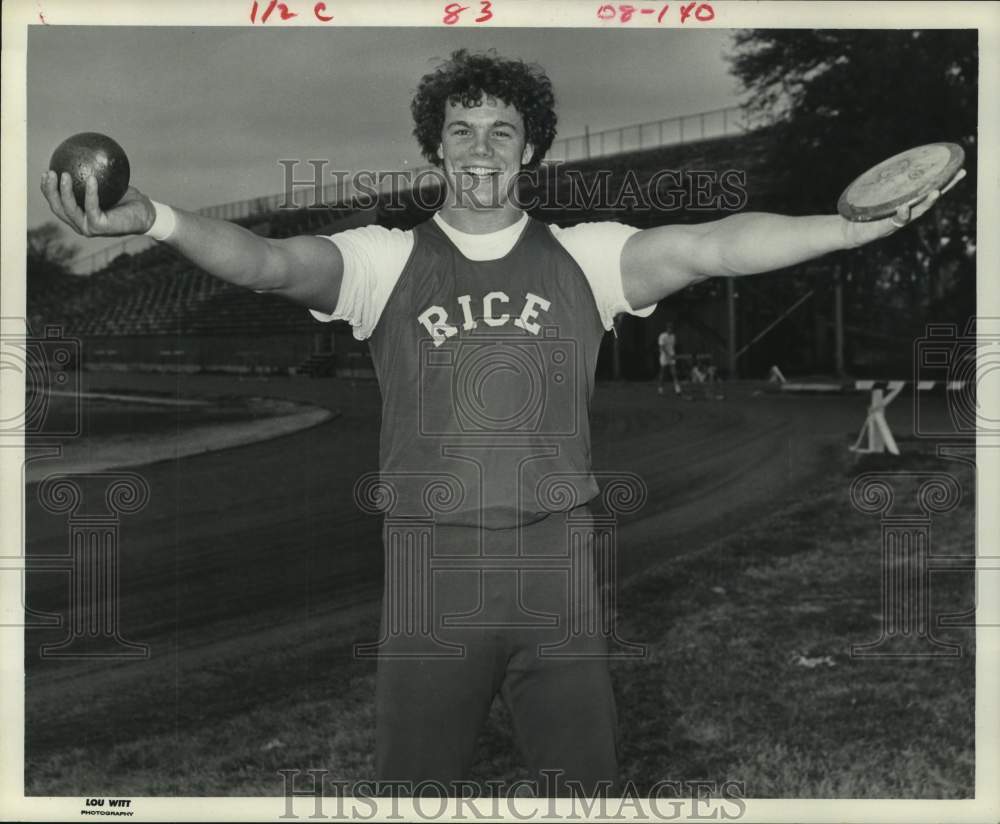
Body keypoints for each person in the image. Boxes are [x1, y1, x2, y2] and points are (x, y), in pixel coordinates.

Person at [40, 48, 962, 796]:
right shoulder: (382, 262)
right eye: (462, 130)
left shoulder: (588, 257)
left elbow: (713, 244)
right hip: (431, 573)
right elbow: (267, 265)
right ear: (435, 151)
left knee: (583, 792)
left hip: (557, 568)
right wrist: (156, 217)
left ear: (530, 153)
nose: (481, 148)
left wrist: (844, 230)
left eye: (503, 132)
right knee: (413, 792)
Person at [657, 322, 681, 395]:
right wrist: (668, 355)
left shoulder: (673, 336)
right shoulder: (662, 336)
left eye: (671, 328)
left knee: (674, 373)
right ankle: (660, 389)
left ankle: (678, 389)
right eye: (669, 328)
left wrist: (673, 355)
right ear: (667, 328)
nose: (670, 329)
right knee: (663, 373)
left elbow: (673, 347)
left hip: (671, 356)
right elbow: (662, 347)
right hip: (664, 356)